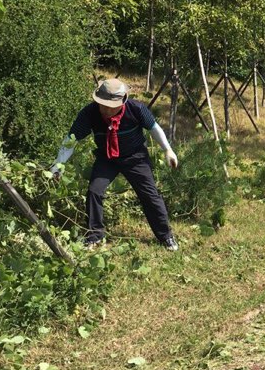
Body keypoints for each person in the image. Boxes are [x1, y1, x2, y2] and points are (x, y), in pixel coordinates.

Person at [50, 78, 180, 250]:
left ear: (122, 101)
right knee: (94, 192)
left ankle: (166, 236)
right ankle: (94, 236)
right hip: (107, 159)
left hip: (135, 158)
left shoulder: (137, 109)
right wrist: (59, 164)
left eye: (110, 106)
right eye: (102, 105)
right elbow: (71, 139)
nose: (105, 110)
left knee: (149, 195)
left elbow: (154, 128)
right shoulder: (90, 113)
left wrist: (168, 150)